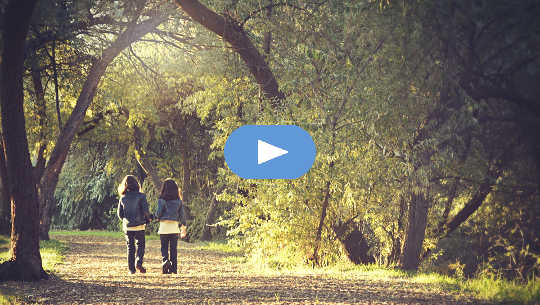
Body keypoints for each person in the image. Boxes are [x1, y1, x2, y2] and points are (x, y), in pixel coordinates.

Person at [117, 175, 153, 274]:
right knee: (141, 245)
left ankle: (131, 270)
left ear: (125, 185)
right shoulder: (142, 196)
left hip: (128, 227)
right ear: (137, 184)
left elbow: (120, 214)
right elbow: (146, 211)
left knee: (130, 247)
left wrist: (126, 221)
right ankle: (138, 261)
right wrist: (149, 219)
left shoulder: (123, 198)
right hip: (140, 226)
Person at [155, 178, 187, 274]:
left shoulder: (161, 200)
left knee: (164, 248)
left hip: (164, 228)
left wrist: (156, 217)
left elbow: (158, 214)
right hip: (174, 228)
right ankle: (174, 269)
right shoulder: (179, 202)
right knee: (173, 249)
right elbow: (182, 217)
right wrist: (183, 227)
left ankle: (165, 261)